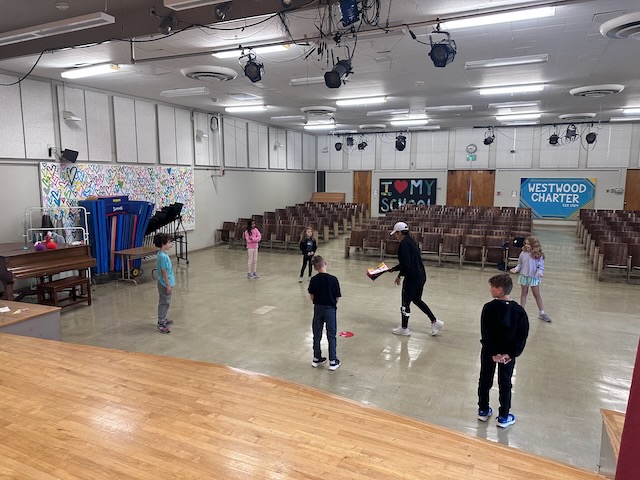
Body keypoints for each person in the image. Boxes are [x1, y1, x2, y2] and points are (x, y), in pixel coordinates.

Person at [477, 273, 529, 428]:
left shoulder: (488, 308)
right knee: (505, 382)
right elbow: (522, 335)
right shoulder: (519, 311)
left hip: (489, 352)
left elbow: (485, 332)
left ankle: (483, 409)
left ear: (499, 290)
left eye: (492, 287)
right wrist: (511, 353)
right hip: (508, 355)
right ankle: (504, 416)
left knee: (485, 378)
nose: (490, 289)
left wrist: (493, 352)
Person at [388, 222, 443, 337]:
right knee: (417, 300)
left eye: (396, 233)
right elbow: (408, 262)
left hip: (412, 278)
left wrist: (399, 275)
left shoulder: (404, 244)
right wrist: (393, 269)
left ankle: (404, 328)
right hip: (420, 276)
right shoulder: (411, 241)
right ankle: (435, 321)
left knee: (405, 303)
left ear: (399, 232)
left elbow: (406, 264)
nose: (395, 236)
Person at [308, 255, 342, 371]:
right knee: (331, 335)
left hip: (318, 309)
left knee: (317, 334)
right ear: (325, 263)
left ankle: (316, 358)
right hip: (330, 309)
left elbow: (312, 296)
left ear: (314, 268)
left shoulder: (314, 280)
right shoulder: (333, 280)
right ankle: (333, 360)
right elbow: (337, 296)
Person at [510, 236, 551, 322]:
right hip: (524, 276)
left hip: (534, 277)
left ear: (533, 245)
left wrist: (539, 272)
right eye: (525, 244)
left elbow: (540, 267)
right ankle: (522, 310)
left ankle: (542, 312)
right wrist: (516, 269)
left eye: (528, 244)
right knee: (524, 293)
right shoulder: (523, 253)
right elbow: (520, 264)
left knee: (536, 294)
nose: (526, 245)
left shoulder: (538, 255)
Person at [154, 232, 175, 334]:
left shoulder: (162, 254)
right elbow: (164, 271)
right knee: (164, 302)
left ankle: (163, 318)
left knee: (165, 301)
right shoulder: (162, 256)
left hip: (165, 282)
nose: (171, 244)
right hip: (164, 283)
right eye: (169, 242)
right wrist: (168, 285)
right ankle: (161, 323)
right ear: (163, 243)